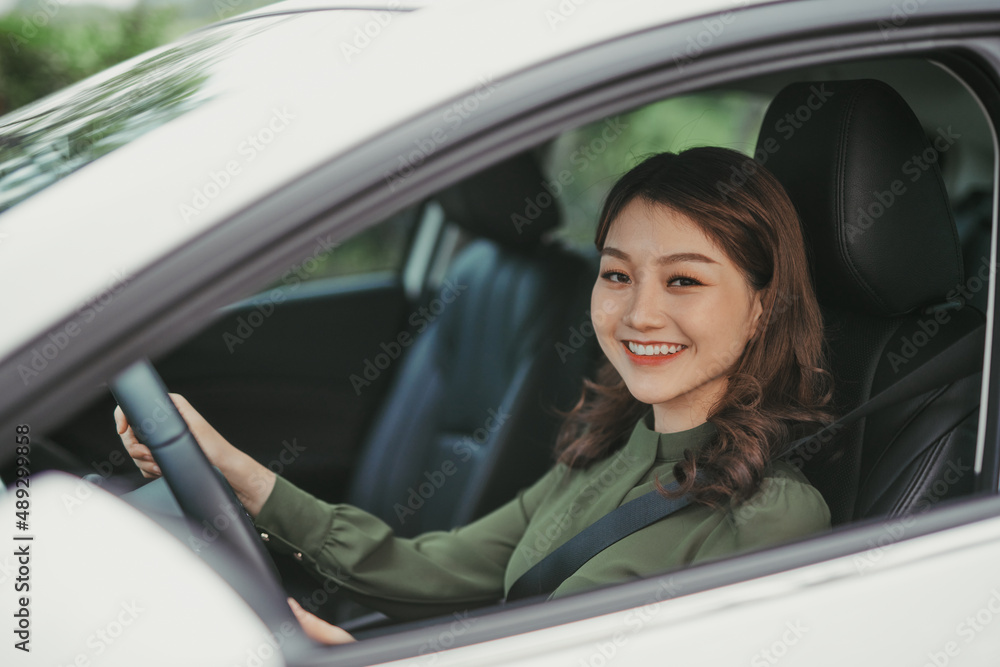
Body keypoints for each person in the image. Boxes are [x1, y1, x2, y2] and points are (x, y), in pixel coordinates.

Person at [116, 146, 833, 645]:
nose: (639, 313)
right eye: (617, 275)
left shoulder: (773, 513)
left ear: (764, 307)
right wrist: (239, 475)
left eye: (684, 280)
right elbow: (433, 567)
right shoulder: (608, 445)